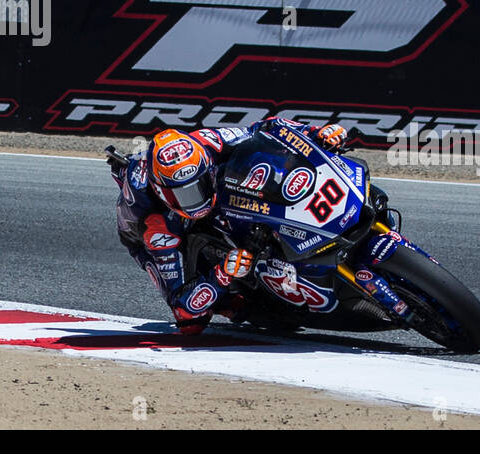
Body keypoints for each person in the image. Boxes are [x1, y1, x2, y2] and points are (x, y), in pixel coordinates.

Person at [110, 116, 349, 335]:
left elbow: (265, 129)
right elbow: (183, 312)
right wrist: (223, 273)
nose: (196, 197)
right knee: (196, 322)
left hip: (211, 192)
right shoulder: (156, 227)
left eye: (201, 183)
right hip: (152, 232)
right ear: (164, 193)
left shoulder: (207, 141)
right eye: (186, 194)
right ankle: (236, 301)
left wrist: (316, 132)